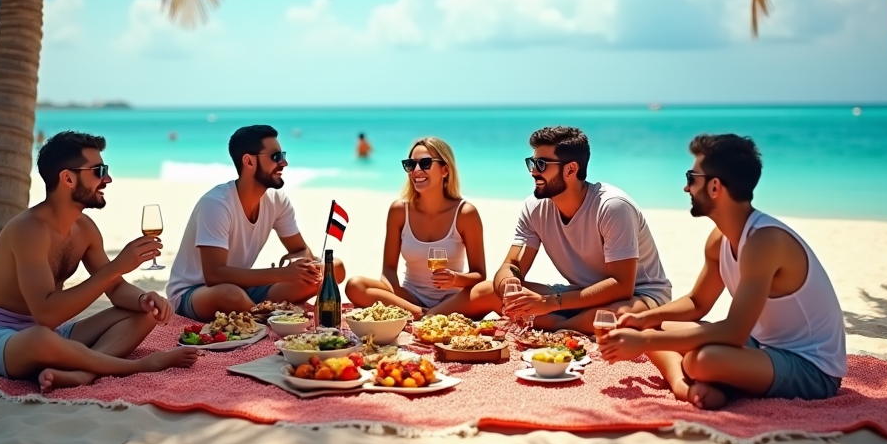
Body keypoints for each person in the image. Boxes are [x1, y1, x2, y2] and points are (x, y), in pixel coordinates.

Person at [599, 134, 847, 409]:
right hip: (761, 346)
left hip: (810, 368)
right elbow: (697, 303)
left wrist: (644, 341)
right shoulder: (721, 239)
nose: (685, 188)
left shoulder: (764, 241)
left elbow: (733, 333)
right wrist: (643, 320)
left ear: (715, 187)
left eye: (692, 178)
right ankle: (686, 384)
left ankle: (696, 382)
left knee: (702, 360)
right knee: (654, 324)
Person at [0, 131, 196, 393]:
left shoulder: (85, 229)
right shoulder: (28, 229)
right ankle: (139, 366)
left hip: (47, 334)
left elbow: (115, 289)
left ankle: (84, 372)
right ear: (68, 178)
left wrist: (144, 298)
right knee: (40, 338)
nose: (108, 179)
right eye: (99, 170)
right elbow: (46, 315)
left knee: (146, 313)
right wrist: (116, 266)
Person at [494, 126, 672, 334]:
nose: (533, 171)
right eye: (532, 163)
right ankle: (562, 324)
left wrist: (550, 303)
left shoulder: (612, 206)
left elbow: (622, 286)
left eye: (541, 164)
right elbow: (513, 263)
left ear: (571, 169)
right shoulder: (534, 207)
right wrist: (509, 288)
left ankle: (558, 328)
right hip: (579, 294)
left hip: (638, 295)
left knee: (611, 317)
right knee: (486, 292)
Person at [166, 124, 345, 321]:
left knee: (332, 269)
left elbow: (301, 250)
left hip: (244, 288)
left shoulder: (277, 200)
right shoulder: (216, 204)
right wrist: (281, 274)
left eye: (283, 155)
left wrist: (298, 264)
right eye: (276, 156)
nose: (284, 162)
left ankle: (260, 313)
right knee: (229, 294)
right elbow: (214, 275)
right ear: (249, 161)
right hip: (195, 293)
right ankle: (271, 318)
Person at [345, 137, 499, 318]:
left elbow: (479, 275)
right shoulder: (399, 211)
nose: (416, 170)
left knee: (490, 289)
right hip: (411, 298)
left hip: (453, 300)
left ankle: (424, 315)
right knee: (355, 285)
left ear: (445, 170)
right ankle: (422, 315)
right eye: (411, 165)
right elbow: (388, 270)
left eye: (425, 163)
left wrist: (456, 279)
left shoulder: (465, 213)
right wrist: (400, 299)